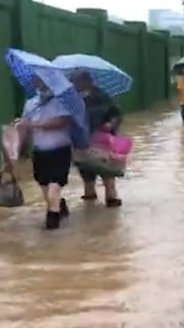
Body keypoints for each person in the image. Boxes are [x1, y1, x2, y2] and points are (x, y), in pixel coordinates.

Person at [16, 77, 72, 230]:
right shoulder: (31, 103)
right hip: (39, 151)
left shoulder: (62, 101)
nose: (39, 82)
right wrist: (18, 149)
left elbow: (62, 122)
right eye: (37, 79)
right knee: (44, 184)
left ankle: (52, 220)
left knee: (55, 183)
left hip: (60, 150)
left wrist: (34, 124)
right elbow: (24, 127)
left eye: (42, 79)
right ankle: (59, 205)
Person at [71, 71, 123, 207]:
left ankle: (111, 197)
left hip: (102, 140)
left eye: (78, 81)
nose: (76, 85)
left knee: (107, 171)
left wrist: (110, 124)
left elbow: (116, 114)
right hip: (82, 140)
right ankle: (90, 197)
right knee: (86, 171)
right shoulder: (72, 99)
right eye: (75, 82)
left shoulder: (102, 96)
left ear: (87, 81)